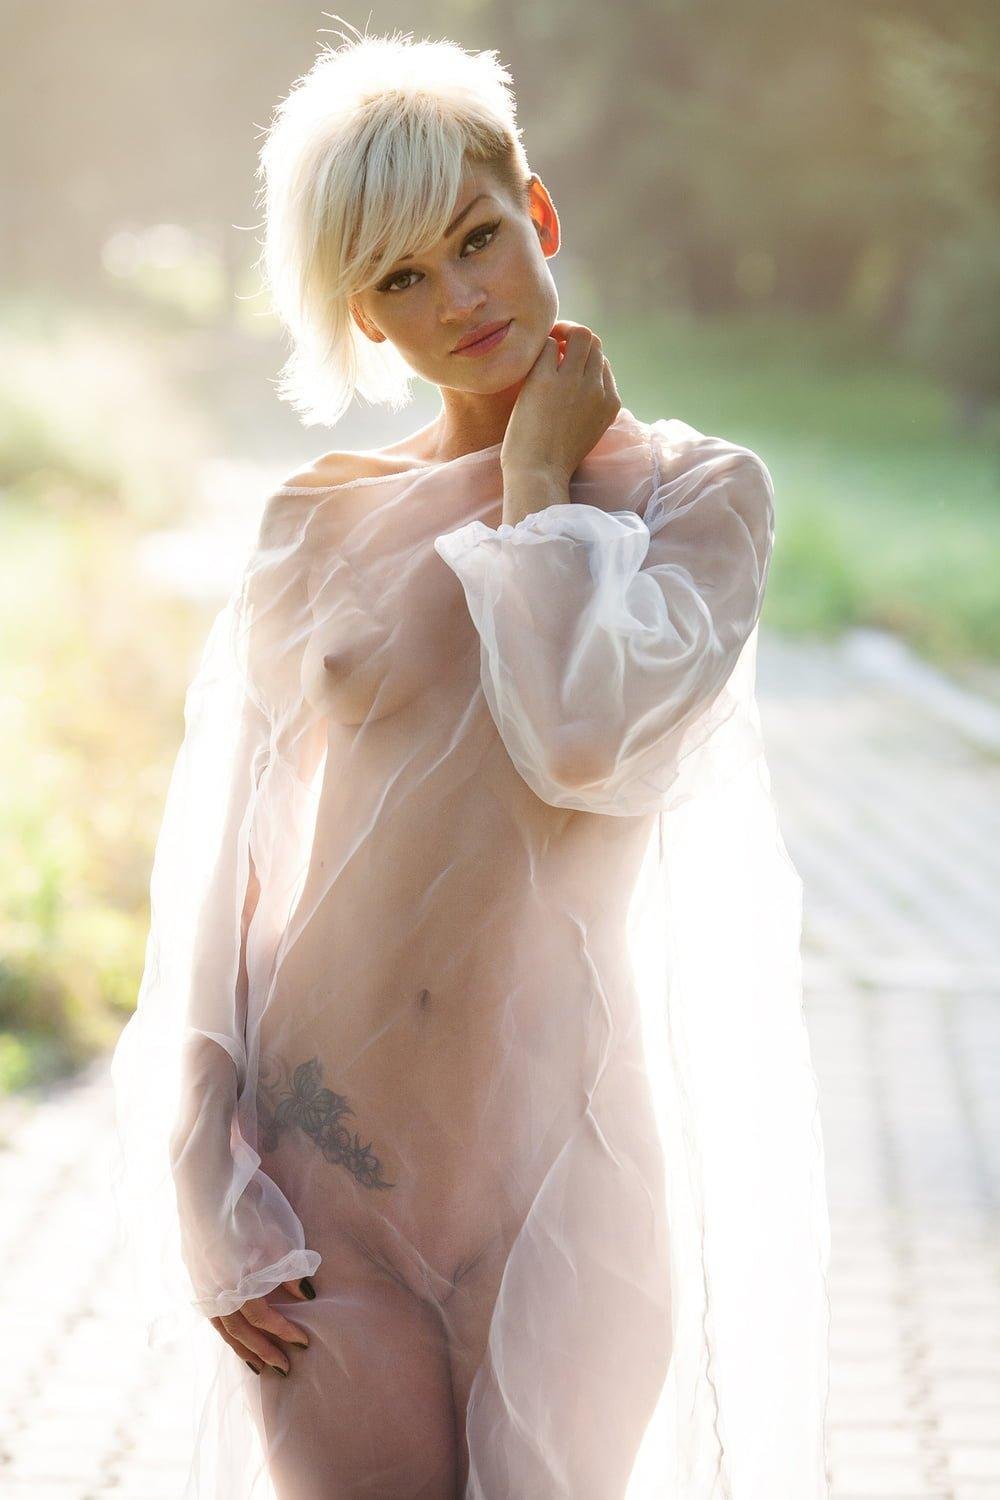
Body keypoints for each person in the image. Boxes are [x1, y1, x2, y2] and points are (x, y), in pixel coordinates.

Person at [110, 19, 831, 1500]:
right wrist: (200, 1173)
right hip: (325, 1178)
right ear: (364, 317)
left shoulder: (699, 501)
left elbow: (579, 737)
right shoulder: (316, 521)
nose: (458, 298)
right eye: (399, 277)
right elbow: (221, 877)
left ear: (537, 212)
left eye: (477, 238)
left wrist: (534, 480)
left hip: (568, 1185)